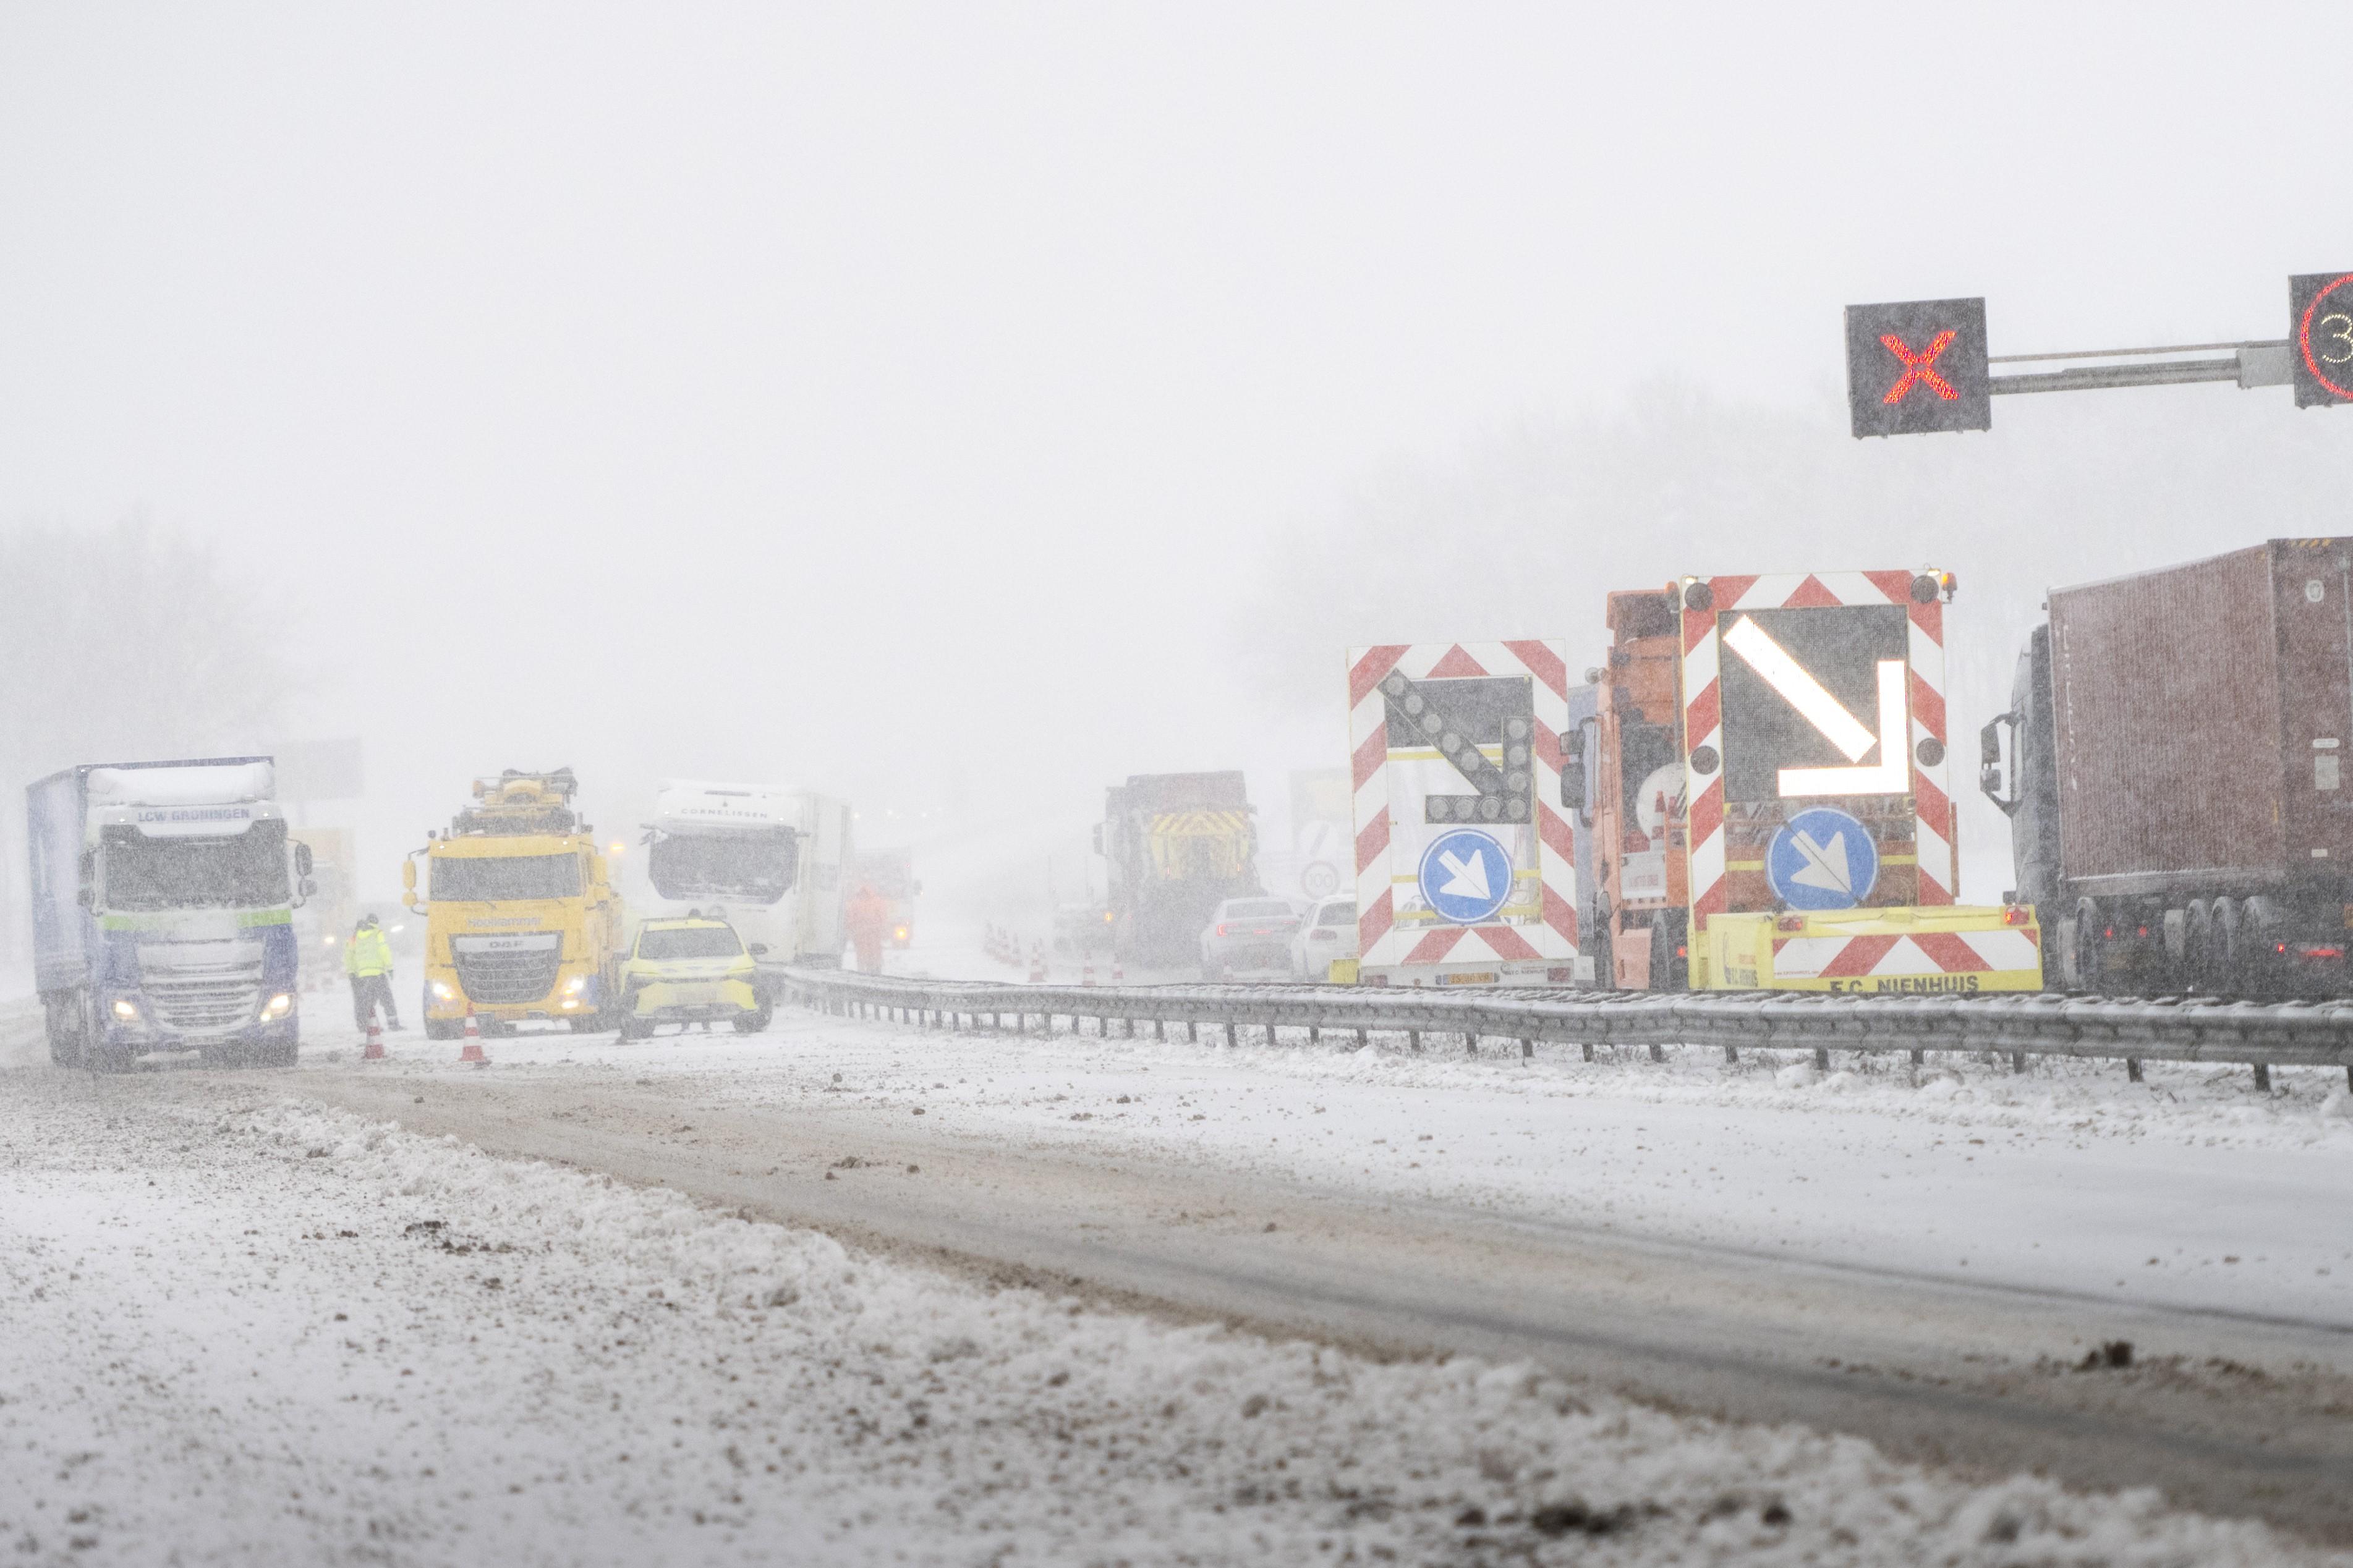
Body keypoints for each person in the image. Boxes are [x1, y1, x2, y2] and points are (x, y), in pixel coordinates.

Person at [344, 914, 402, 1032]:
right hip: (378, 972)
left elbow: (349, 956)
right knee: (387, 999)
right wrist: (390, 967)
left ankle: (366, 1025)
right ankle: (393, 1024)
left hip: (362, 974)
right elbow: (384, 949)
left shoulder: (356, 937)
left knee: (365, 1001)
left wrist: (352, 972)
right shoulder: (377, 933)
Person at [844, 883, 890, 973]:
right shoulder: (877, 902)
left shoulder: (856, 903)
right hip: (867, 935)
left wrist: (857, 928)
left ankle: (868, 971)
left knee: (867, 955)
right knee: (870, 955)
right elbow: (882, 918)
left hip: (866, 935)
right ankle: (871, 971)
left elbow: (850, 919)